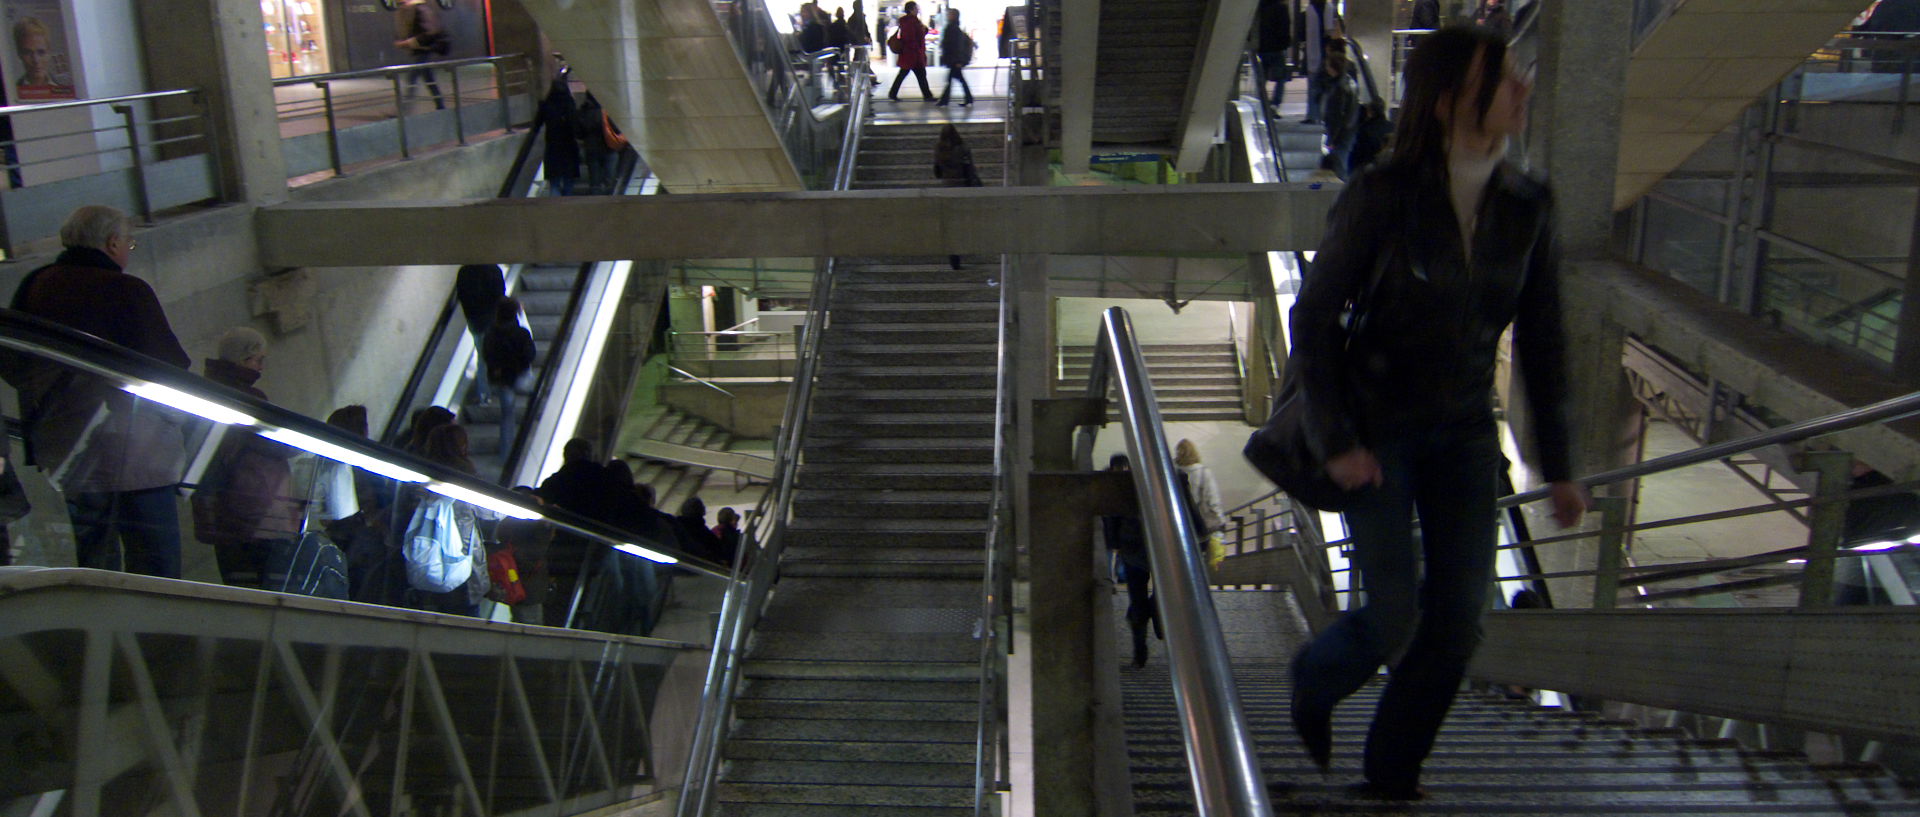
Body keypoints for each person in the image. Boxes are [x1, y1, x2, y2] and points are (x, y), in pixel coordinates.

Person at [1284, 26, 1585, 800]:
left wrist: (1558, 465)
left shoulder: (1528, 203)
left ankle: (1391, 774)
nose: (1522, 86)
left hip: (1463, 431)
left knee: (1458, 619)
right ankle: (1314, 678)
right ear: (1452, 100)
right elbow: (1313, 318)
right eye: (1504, 75)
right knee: (1391, 615)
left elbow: (1544, 336)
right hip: (1379, 426)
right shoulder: (1383, 194)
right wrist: (1338, 439)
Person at [4, 206, 190, 578]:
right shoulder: (126, 290)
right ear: (112, 242)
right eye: (129, 243)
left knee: (96, 562)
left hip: (69, 450)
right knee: (156, 565)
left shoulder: (37, 284)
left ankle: (106, 629)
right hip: (137, 452)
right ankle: (156, 634)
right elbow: (168, 365)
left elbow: (14, 362)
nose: (127, 251)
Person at [197, 327, 302, 589]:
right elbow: (276, 444)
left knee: (237, 586)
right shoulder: (247, 397)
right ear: (243, 358)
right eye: (258, 360)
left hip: (220, 509)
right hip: (256, 507)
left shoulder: (206, 389)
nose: (261, 368)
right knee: (268, 589)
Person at [538, 438, 607, 626]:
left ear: (567, 455)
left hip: (564, 549)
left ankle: (556, 630)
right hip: (595, 550)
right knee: (583, 597)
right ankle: (576, 625)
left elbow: (541, 497)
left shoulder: (561, 479)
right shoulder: (603, 478)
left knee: (560, 597)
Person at [1101, 454, 1161, 669]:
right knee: (1164, 592)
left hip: (1133, 549)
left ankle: (1140, 654)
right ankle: (1155, 612)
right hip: (1161, 548)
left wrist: (1115, 542)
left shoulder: (1126, 486)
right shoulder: (1168, 480)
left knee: (1137, 599)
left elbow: (1113, 515)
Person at [481, 298, 536, 453]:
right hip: (519, 375)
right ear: (515, 314)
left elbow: (486, 355)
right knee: (536, 398)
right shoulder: (521, 333)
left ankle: (506, 453)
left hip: (500, 378)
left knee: (507, 414)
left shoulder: (490, 333)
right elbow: (530, 355)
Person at [933, 124, 982, 270]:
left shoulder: (939, 150)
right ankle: (967, 244)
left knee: (951, 223)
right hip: (963, 189)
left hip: (947, 189)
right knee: (964, 220)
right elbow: (970, 169)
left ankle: (954, 257)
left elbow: (937, 172)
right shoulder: (963, 148)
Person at [1174, 439, 1225, 562]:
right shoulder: (1203, 472)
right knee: (1199, 558)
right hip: (1200, 526)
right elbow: (1213, 501)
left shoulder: (1172, 472)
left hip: (1178, 525)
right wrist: (1220, 521)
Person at [394, 0, 448, 109]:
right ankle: (440, 105)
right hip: (418, 50)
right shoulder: (408, 10)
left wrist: (407, 43)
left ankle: (404, 110)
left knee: (412, 78)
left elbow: (429, 32)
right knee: (428, 78)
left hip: (422, 49)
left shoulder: (420, 9)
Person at [1319, 41, 1361, 180]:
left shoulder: (1339, 88)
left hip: (1340, 134)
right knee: (1340, 163)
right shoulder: (1347, 83)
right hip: (1346, 131)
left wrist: (1332, 139)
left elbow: (1338, 116)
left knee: (1338, 164)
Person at [539, 73, 581, 196]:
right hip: (568, 147)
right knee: (568, 180)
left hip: (552, 147)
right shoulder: (569, 104)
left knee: (554, 182)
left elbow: (537, 124)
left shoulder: (547, 105)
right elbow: (576, 126)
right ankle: (567, 206)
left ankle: (555, 208)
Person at [886, 1, 933, 102]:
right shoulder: (911, 21)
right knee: (918, 74)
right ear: (911, 9)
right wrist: (917, 49)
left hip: (910, 54)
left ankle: (893, 93)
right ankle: (927, 95)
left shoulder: (910, 21)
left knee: (908, 74)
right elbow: (912, 37)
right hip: (912, 54)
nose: (918, 9)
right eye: (916, 8)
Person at [1301, 0, 1337, 124]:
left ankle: (1312, 114)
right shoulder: (1327, 7)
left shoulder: (1310, 9)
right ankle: (1319, 114)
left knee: (1313, 86)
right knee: (1322, 86)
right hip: (1322, 52)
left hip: (1314, 52)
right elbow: (1329, 31)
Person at [454, 264, 505, 345]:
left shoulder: (463, 272)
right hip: (493, 319)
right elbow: (500, 295)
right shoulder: (493, 269)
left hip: (475, 320)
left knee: (481, 347)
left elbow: (461, 295)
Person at [935, 8, 974, 107]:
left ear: (954, 16)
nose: (948, 16)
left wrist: (958, 60)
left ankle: (945, 100)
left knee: (951, 80)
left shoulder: (953, 28)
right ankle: (968, 98)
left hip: (954, 59)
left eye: (949, 14)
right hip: (953, 59)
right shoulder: (953, 27)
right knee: (956, 79)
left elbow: (956, 46)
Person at [1254, 0, 1292, 99]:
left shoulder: (1259, 7)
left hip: (1262, 47)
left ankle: (1262, 100)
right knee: (1281, 78)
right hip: (1276, 48)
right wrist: (1285, 43)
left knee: (1262, 77)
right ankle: (1275, 103)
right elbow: (1284, 28)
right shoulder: (1281, 8)